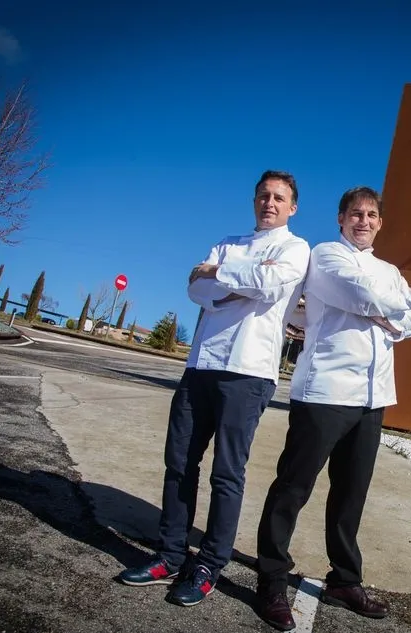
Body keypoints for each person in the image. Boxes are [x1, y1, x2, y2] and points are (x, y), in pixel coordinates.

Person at [117, 170, 310, 609]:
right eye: (263, 195)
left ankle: (208, 565)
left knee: (227, 473)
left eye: (279, 198)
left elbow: (268, 286)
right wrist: (233, 283)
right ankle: (169, 555)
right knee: (179, 463)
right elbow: (197, 289)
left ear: (292, 207)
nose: (270, 203)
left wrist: (219, 274)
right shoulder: (228, 242)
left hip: (248, 372)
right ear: (254, 200)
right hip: (200, 366)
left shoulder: (296, 248)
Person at [254, 186, 411, 631]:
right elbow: (361, 294)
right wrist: (391, 308)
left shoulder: (389, 270)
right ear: (341, 218)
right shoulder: (326, 255)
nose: (362, 221)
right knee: (293, 487)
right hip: (325, 391)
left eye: (370, 215)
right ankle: (271, 581)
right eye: (355, 213)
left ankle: (344, 580)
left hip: (373, 397)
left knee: (351, 494)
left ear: (380, 223)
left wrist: (387, 311)